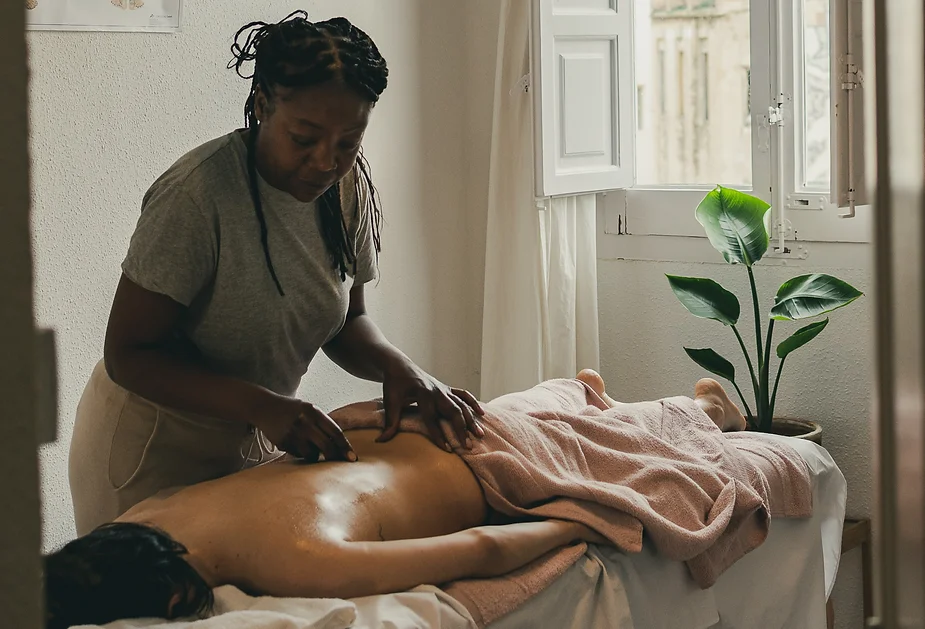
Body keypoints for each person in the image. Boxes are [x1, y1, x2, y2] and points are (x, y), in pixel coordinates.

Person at [68, 11, 484, 536]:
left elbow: (346, 322)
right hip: (151, 444)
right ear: (263, 105)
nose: (324, 162)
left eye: (347, 142)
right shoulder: (197, 197)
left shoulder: (347, 188)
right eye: (304, 138)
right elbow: (128, 354)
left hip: (254, 427)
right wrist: (265, 406)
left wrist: (401, 369)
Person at [46, 370, 749, 629]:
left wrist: (570, 524)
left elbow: (481, 548)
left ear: (170, 604)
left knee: (643, 442)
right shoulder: (148, 511)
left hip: (497, 468)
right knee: (549, 408)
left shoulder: (294, 558)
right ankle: (582, 387)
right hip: (407, 427)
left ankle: (703, 409)